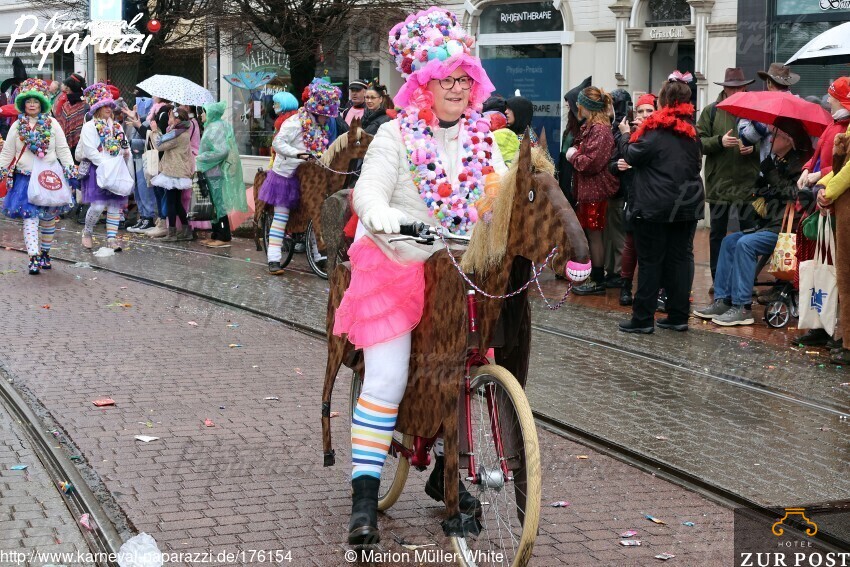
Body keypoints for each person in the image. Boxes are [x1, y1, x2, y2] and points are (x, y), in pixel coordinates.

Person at [332, 7, 509, 546]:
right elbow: (369, 191)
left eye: (463, 78)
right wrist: (382, 216)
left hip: (459, 268)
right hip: (397, 265)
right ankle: (365, 499)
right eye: (444, 79)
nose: (456, 88)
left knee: (468, 364)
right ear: (422, 85)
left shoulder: (486, 140)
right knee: (387, 376)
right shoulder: (394, 136)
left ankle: (447, 471)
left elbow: (500, 197)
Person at [694, 118, 812, 326]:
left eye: (774, 134)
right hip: (768, 224)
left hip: (786, 231)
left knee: (745, 244)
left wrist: (770, 175)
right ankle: (723, 300)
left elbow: (796, 196)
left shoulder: (800, 164)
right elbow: (763, 192)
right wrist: (760, 187)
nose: (770, 138)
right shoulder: (775, 160)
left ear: (787, 140)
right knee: (729, 242)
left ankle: (743, 307)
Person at [615, 72, 704, 333]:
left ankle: (643, 319)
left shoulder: (655, 130)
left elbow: (632, 154)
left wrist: (623, 135)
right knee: (680, 259)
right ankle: (678, 316)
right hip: (687, 205)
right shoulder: (692, 131)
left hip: (655, 206)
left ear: (664, 100)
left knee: (651, 261)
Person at [260, 78, 342, 274]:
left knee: (314, 215)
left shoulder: (321, 127)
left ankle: (319, 256)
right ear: (315, 111)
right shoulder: (295, 122)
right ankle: (273, 259)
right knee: (281, 216)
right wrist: (298, 154)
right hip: (286, 176)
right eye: (324, 115)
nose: (327, 119)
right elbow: (278, 143)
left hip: (309, 177)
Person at [792, 77, 850, 347]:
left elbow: (841, 169)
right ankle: (821, 325)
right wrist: (807, 169)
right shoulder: (834, 125)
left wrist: (819, 177)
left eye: (832, 96)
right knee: (818, 266)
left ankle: (836, 330)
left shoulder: (845, 126)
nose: (828, 100)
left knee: (835, 270)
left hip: (834, 207)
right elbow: (818, 156)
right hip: (820, 204)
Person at [0, 78, 76, 275]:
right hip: (25, 179)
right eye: (28, 101)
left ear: (42, 103)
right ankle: (33, 257)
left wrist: (70, 169)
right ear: (23, 103)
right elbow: (8, 153)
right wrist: (1, 170)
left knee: (49, 219)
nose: (32, 104)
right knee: (30, 217)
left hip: (49, 178)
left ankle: (45, 253)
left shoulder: (52, 124)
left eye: (35, 101)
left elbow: (62, 149)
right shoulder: (17, 126)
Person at [697, 68, 761, 287]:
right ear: (724, 89)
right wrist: (718, 142)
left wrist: (753, 149)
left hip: (747, 183)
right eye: (731, 88)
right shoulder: (711, 112)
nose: (736, 91)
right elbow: (698, 143)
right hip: (719, 183)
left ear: (745, 88)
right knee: (717, 235)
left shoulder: (754, 111)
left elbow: (767, 143)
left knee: (748, 235)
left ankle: (746, 281)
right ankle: (718, 281)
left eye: (739, 87)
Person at [565, 86, 619, 295]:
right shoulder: (592, 127)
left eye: (580, 103)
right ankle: (595, 277)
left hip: (595, 191)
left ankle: (598, 280)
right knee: (591, 234)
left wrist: (573, 156)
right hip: (588, 191)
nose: (577, 107)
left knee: (595, 236)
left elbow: (592, 163)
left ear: (587, 106)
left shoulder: (600, 130)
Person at [815, 78, 850, 365]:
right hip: (843, 209)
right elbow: (840, 167)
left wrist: (828, 190)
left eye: (832, 98)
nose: (829, 103)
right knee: (844, 276)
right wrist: (822, 185)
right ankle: (846, 338)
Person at [612, 92, 656, 306]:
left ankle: (649, 291)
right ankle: (625, 287)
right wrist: (618, 166)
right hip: (633, 195)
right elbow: (613, 162)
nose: (645, 115)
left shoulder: (656, 134)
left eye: (649, 110)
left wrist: (626, 137)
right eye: (641, 111)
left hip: (653, 198)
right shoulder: (628, 132)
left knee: (651, 247)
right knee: (631, 244)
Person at [77, 83, 132, 251]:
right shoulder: (89, 126)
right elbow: (90, 150)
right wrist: (105, 164)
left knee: (115, 205)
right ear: (97, 108)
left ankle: (112, 239)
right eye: (105, 105)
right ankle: (87, 232)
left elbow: (124, 144)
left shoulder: (116, 126)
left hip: (115, 169)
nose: (109, 108)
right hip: (98, 169)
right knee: (98, 206)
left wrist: (126, 151)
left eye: (110, 105)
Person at [195, 101, 249, 247]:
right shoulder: (215, 125)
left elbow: (222, 151)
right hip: (211, 171)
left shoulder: (215, 128)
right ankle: (215, 234)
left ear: (211, 113)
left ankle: (224, 236)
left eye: (203, 112)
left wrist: (201, 158)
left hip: (215, 173)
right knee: (214, 204)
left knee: (219, 204)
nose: (200, 115)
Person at [149, 106, 195, 241]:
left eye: (170, 117)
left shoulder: (178, 134)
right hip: (178, 172)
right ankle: (186, 231)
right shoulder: (180, 132)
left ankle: (172, 233)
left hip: (173, 172)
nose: (168, 119)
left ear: (177, 119)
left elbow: (159, 146)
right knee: (176, 203)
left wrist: (154, 131)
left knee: (170, 202)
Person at [739, 63, 800, 162]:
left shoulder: (769, 108)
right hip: (795, 166)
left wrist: (744, 116)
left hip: (773, 168)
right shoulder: (799, 104)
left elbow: (748, 138)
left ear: (769, 83)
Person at [604, 89, 632, 289]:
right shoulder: (618, 127)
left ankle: (622, 275)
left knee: (619, 235)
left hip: (620, 190)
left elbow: (616, 157)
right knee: (614, 233)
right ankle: (616, 272)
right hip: (620, 189)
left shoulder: (621, 129)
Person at [558, 76, 591, 208]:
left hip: (575, 177)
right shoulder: (571, 127)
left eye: (569, 105)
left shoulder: (586, 128)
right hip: (566, 174)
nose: (567, 109)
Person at [492, 95, 534, 164]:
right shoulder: (511, 133)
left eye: (510, 109)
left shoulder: (527, 141)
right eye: (506, 108)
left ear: (519, 112)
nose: (505, 112)